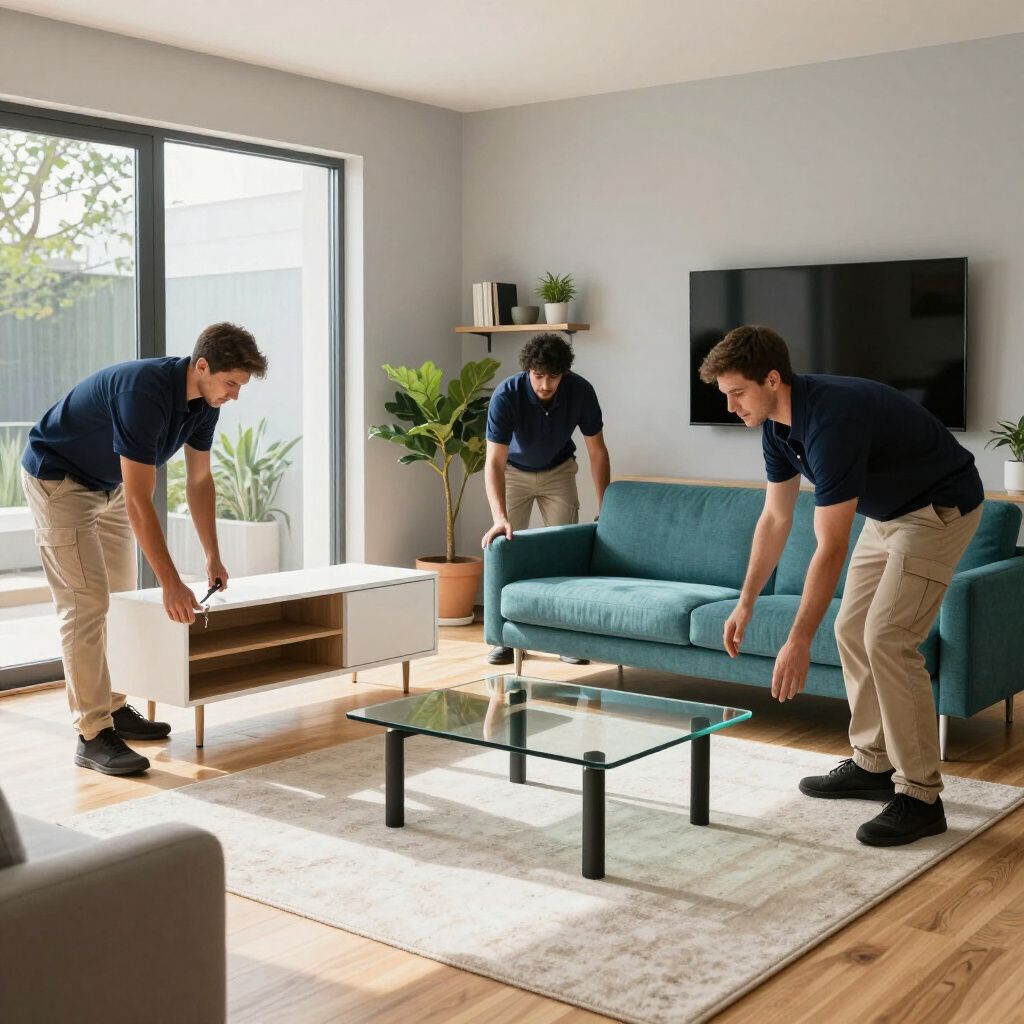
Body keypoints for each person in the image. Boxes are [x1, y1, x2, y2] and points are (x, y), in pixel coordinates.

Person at [699, 324, 983, 847]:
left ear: (772, 379)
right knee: (852, 629)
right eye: (726, 395)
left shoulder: (833, 419)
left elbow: (829, 548)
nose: (732, 406)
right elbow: (774, 519)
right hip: (888, 515)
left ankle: (921, 796)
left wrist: (798, 640)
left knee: (888, 639)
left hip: (937, 511)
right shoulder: (776, 427)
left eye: (738, 393)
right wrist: (746, 604)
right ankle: (873, 763)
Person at [21, 322, 268, 776]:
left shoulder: (205, 403)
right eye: (230, 383)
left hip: (107, 484)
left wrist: (212, 555)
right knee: (85, 604)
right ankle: (92, 735)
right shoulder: (146, 392)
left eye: (241, 386)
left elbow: (199, 480)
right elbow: (141, 502)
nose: (234, 395)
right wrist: (170, 584)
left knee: (116, 599)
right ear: (202, 365)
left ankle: (113, 708)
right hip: (59, 479)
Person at [481, 333, 610, 666]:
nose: (545, 383)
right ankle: (504, 639)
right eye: (538, 376)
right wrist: (499, 517)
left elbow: (597, 451)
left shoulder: (581, 390)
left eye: (552, 376)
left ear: (563, 373)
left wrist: (606, 507)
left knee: (565, 552)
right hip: (513, 473)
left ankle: (565, 638)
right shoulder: (506, 395)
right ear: (528, 371)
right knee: (506, 548)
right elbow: (494, 461)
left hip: (559, 472)